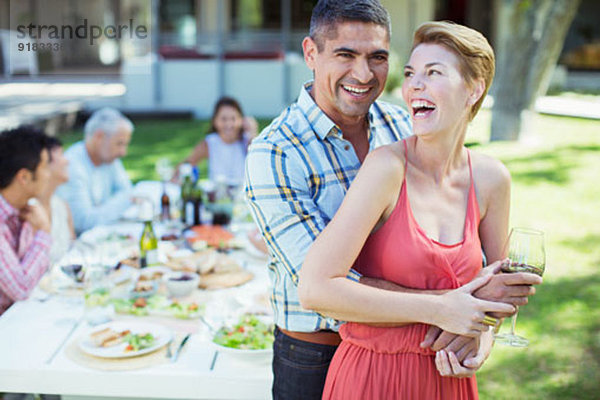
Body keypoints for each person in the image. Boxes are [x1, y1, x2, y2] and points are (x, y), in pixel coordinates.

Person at [245, 2, 541, 399]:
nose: (364, 74)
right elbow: (318, 285)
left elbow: (487, 278)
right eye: (346, 55)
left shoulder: (403, 124)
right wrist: (450, 307)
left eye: (378, 57)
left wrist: (481, 330)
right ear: (311, 54)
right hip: (316, 353)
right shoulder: (274, 153)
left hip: (432, 356)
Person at [0, 126, 52, 315]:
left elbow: (37, 273)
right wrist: (44, 232)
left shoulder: (23, 210)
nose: (49, 174)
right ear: (23, 177)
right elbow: (21, 288)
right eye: (45, 166)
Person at [56, 107, 134, 234]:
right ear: (99, 137)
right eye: (119, 144)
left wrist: (102, 209)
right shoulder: (72, 166)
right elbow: (84, 222)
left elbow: (128, 190)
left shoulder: (108, 158)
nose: (123, 152)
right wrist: (126, 201)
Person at [177, 96, 257, 185]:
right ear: (215, 121)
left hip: (243, 196)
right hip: (218, 195)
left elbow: (259, 167)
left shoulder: (248, 141)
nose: (229, 124)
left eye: (233, 119)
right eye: (224, 119)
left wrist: (253, 134)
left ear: (241, 120)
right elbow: (186, 164)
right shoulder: (210, 142)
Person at [39, 136, 75, 265]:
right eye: (61, 155)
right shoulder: (28, 212)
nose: (67, 161)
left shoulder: (61, 205)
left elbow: (74, 252)